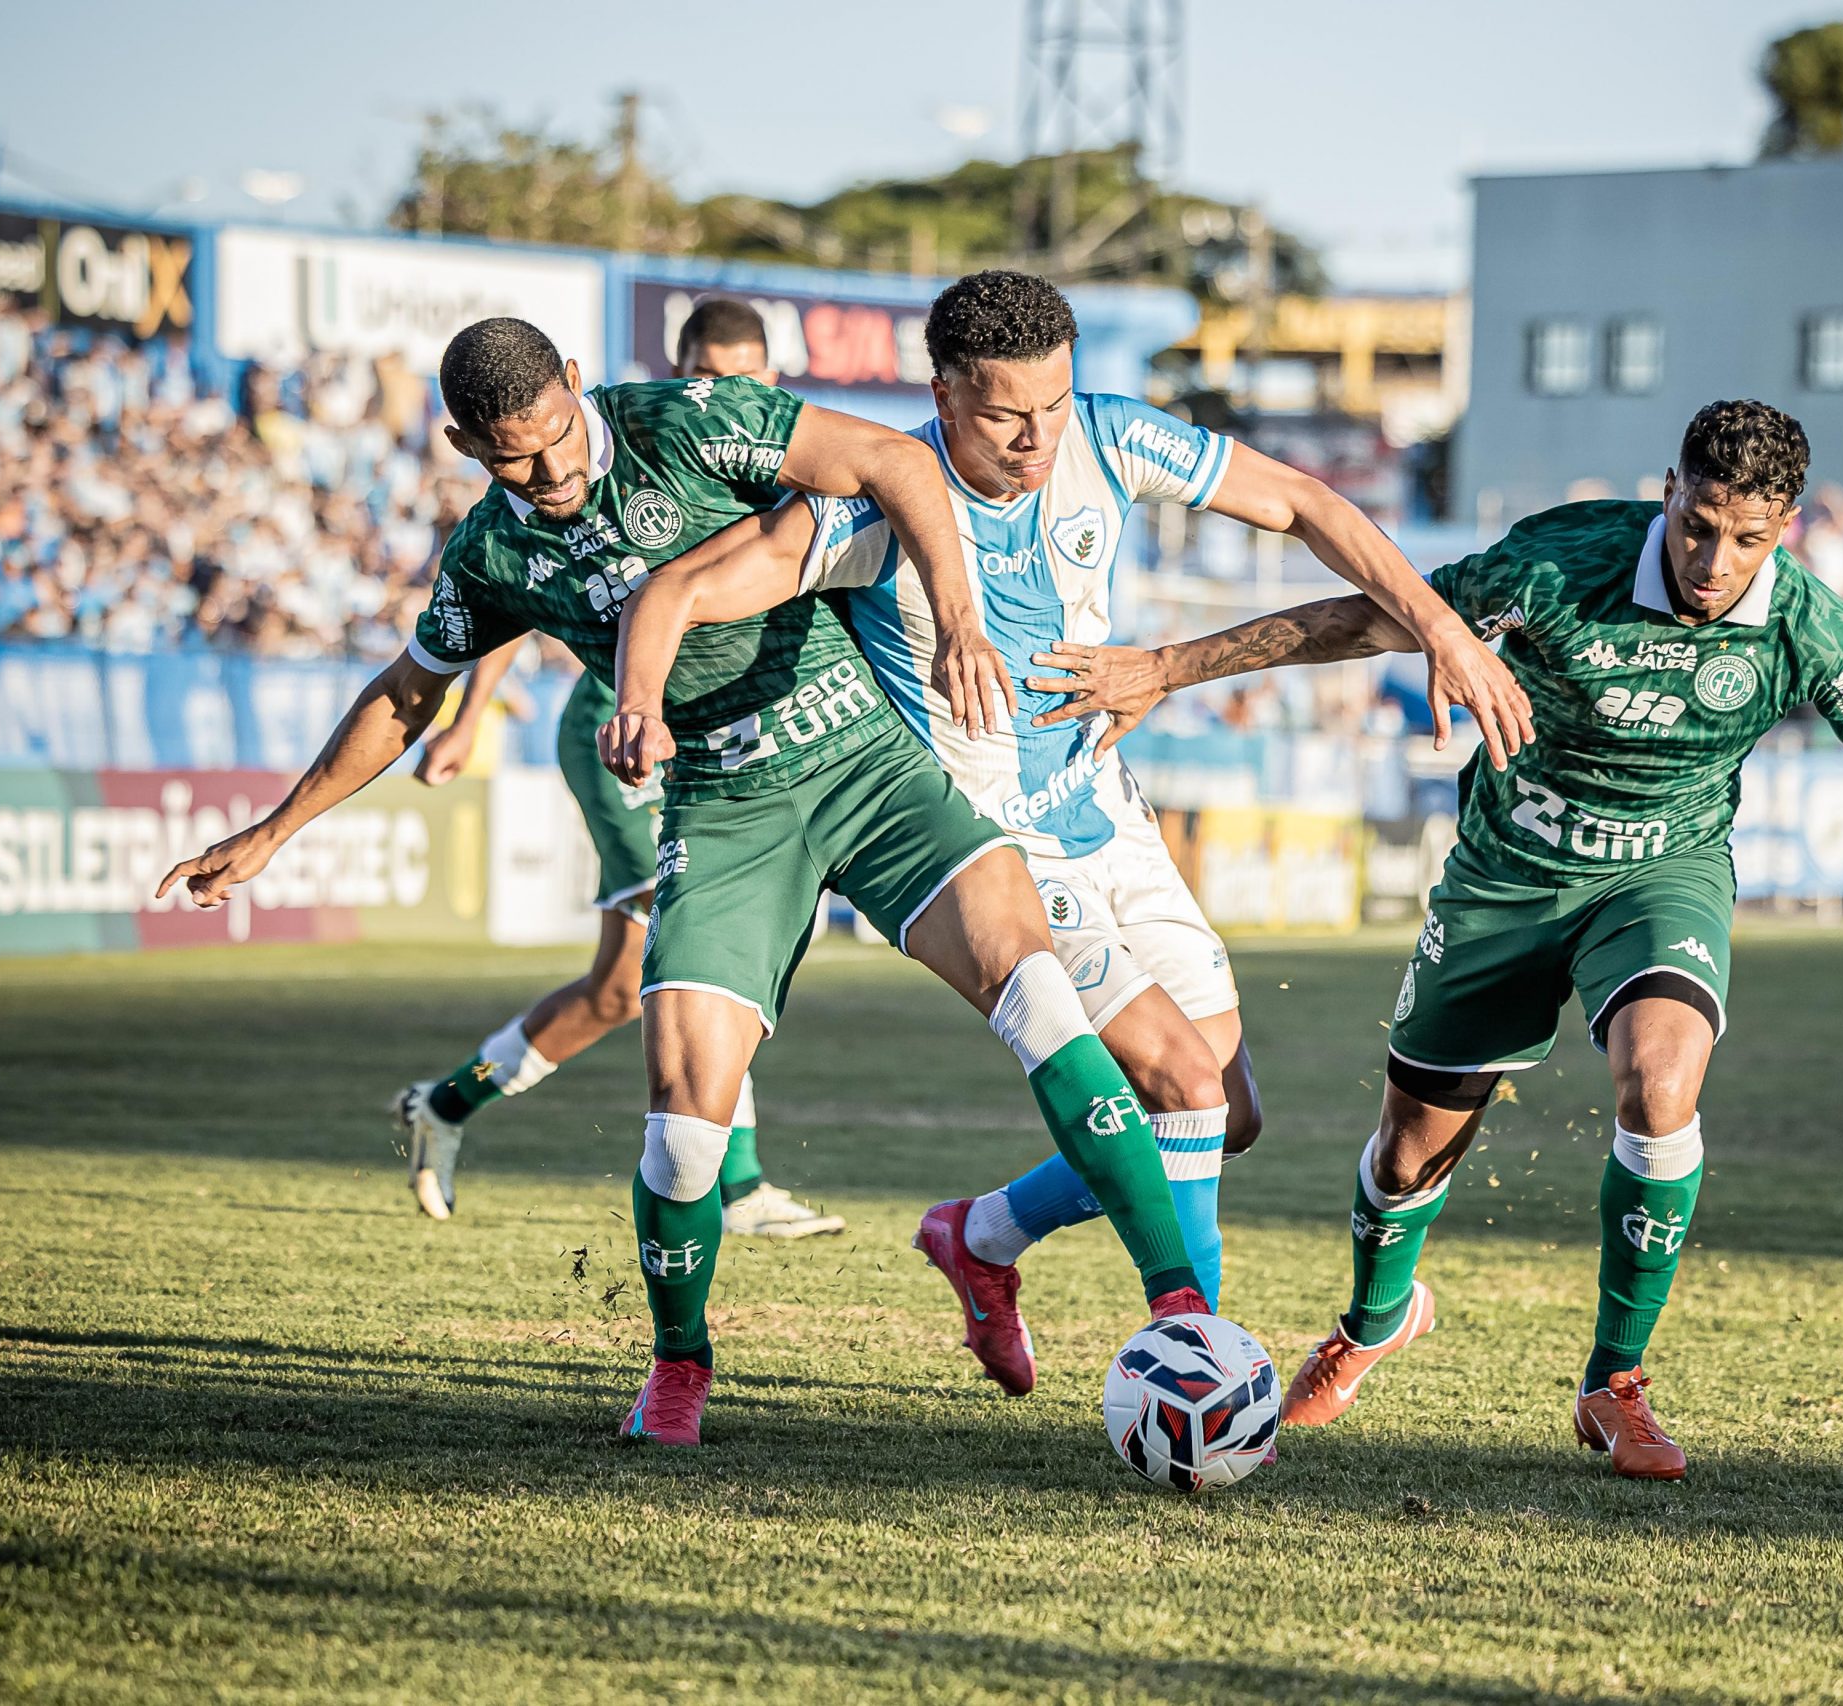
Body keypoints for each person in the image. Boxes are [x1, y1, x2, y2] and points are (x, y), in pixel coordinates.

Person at [159, 316, 1210, 1448]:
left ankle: (1184, 1317)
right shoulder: (489, 555)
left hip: (867, 762)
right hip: (723, 809)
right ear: (465, 445)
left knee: (1042, 1001)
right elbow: (407, 692)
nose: (550, 471)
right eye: (514, 457)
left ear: (575, 383)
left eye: (559, 435)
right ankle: (679, 1363)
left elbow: (897, 462)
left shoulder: (686, 420)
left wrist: (959, 620)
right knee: (681, 1130)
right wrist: (275, 831)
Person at [1030, 399, 1843, 1478]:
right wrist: (1166, 665)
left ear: (1783, 527)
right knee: (1407, 1154)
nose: (1712, 561)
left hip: (1660, 877)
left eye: (1745, 539)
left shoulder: (1810, 630)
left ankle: (1614, 1381)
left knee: (1660, 1084)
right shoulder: (1560, 562)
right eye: (1697, 525)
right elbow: (1371, 621)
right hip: (1505, 877)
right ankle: (1372, 1323)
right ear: (1670, 492)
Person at [602, 269, 1531, 1397]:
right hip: (996, 852)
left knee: (1226, 1114)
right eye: (1005, 414)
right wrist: (641, 701)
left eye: (1054, 402)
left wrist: (1441, 630)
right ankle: (1201, 1380)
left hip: (1107, 811)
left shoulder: (1109, 436)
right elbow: (687, 588)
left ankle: (981, 1235)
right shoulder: (874, 506)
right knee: (1181, 1084)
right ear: (943, 395)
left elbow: (1305, 505)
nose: (1039, 437)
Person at [393, 298, 839, 1240]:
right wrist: (469, 719)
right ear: (683, 369)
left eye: (749, 379)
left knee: (613, 991)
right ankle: (740, 1185)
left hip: (712, 735)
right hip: (618, 739)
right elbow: (509, 598)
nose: (732, 392)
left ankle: (448, 1100)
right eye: (713, 374)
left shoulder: (757, 455)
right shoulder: (633, 444)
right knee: (694, 954)